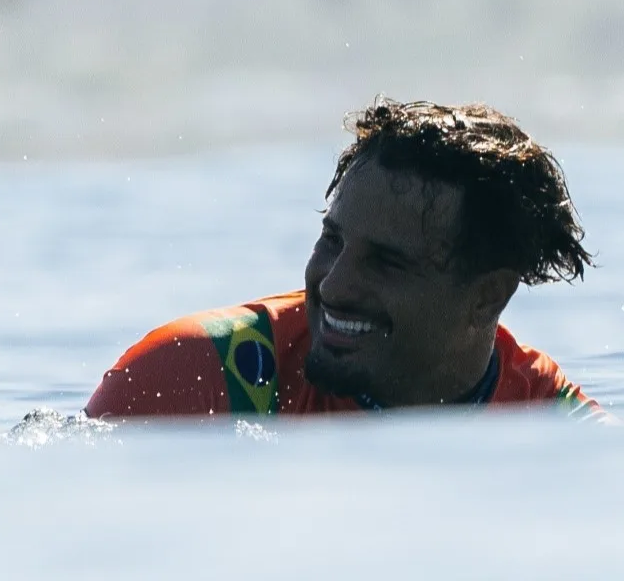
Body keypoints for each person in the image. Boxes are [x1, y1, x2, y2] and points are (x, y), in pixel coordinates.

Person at [84, 96, 615, 424]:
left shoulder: (550, 424)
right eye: (332, 241)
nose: (334, 287)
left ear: (486, 296)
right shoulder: (197, 380)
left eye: (387, 262)